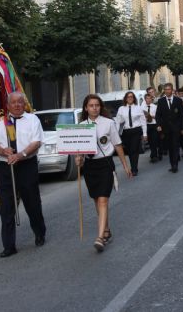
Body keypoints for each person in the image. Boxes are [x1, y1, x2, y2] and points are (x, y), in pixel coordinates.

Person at [0, 92, 47, 258]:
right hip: (6, 168)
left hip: (26, 165)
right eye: (13, 102)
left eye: (19, 102)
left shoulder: (32, 120)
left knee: (32, 203)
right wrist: (3, 150)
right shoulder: (1, 122)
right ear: (7, 105)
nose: (16, 105)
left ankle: (39, 233)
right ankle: (9, 245)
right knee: (6, 208)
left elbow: (36, 142)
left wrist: (20, 155)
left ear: (24, 104)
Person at [75, 94, 131, 252]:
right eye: (91, 105)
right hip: (90, 166)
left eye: (97, 105)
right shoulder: (81, 126)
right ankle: (106, 229)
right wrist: (78, 160)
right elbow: (78, 150)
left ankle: (100, 237)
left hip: (105, 164)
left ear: (100, 107)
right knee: (96, 200)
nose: (94, 108)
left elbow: (117, 144)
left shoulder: (108, 123)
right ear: (86, 108)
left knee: (103, 200)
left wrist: (125, 166)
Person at [155, 83, 183, 173]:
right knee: (170, 147)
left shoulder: (178, 100)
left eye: (169, 89)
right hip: (166, 129)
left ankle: (175, 165)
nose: (167, 91)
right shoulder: (161, 101)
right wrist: (158, 125)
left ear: (172, 90)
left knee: (175, 146)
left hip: (176, 128)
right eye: (165, 89)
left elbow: (181, 115)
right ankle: (172, 163)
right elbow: (158, 115)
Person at [115, 91, 147, 176]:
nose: (130, 98)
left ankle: (134, 169)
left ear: (134, 98)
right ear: (125, 98)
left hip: (136, 130)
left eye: (131, 97)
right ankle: (133, 165)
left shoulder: (138, 108)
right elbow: (118, 122)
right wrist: (116, 134)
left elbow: (143, 121)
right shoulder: (121, 109)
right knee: (129, 151)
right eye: (128, 97)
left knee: (134, 149)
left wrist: (145, 134)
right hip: (126, 132)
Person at [141, 94, 161, 163]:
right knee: (150, 141)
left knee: (154, 140)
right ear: (145, 99)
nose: (148, 100)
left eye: (150, 98)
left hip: (154, 125)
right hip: (146, 125)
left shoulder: (155, 107)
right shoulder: (142, 107)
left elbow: (158, 116)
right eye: (147, 98)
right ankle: (153, 154)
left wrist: (151, 116)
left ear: (151, 99)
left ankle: (154, 155)